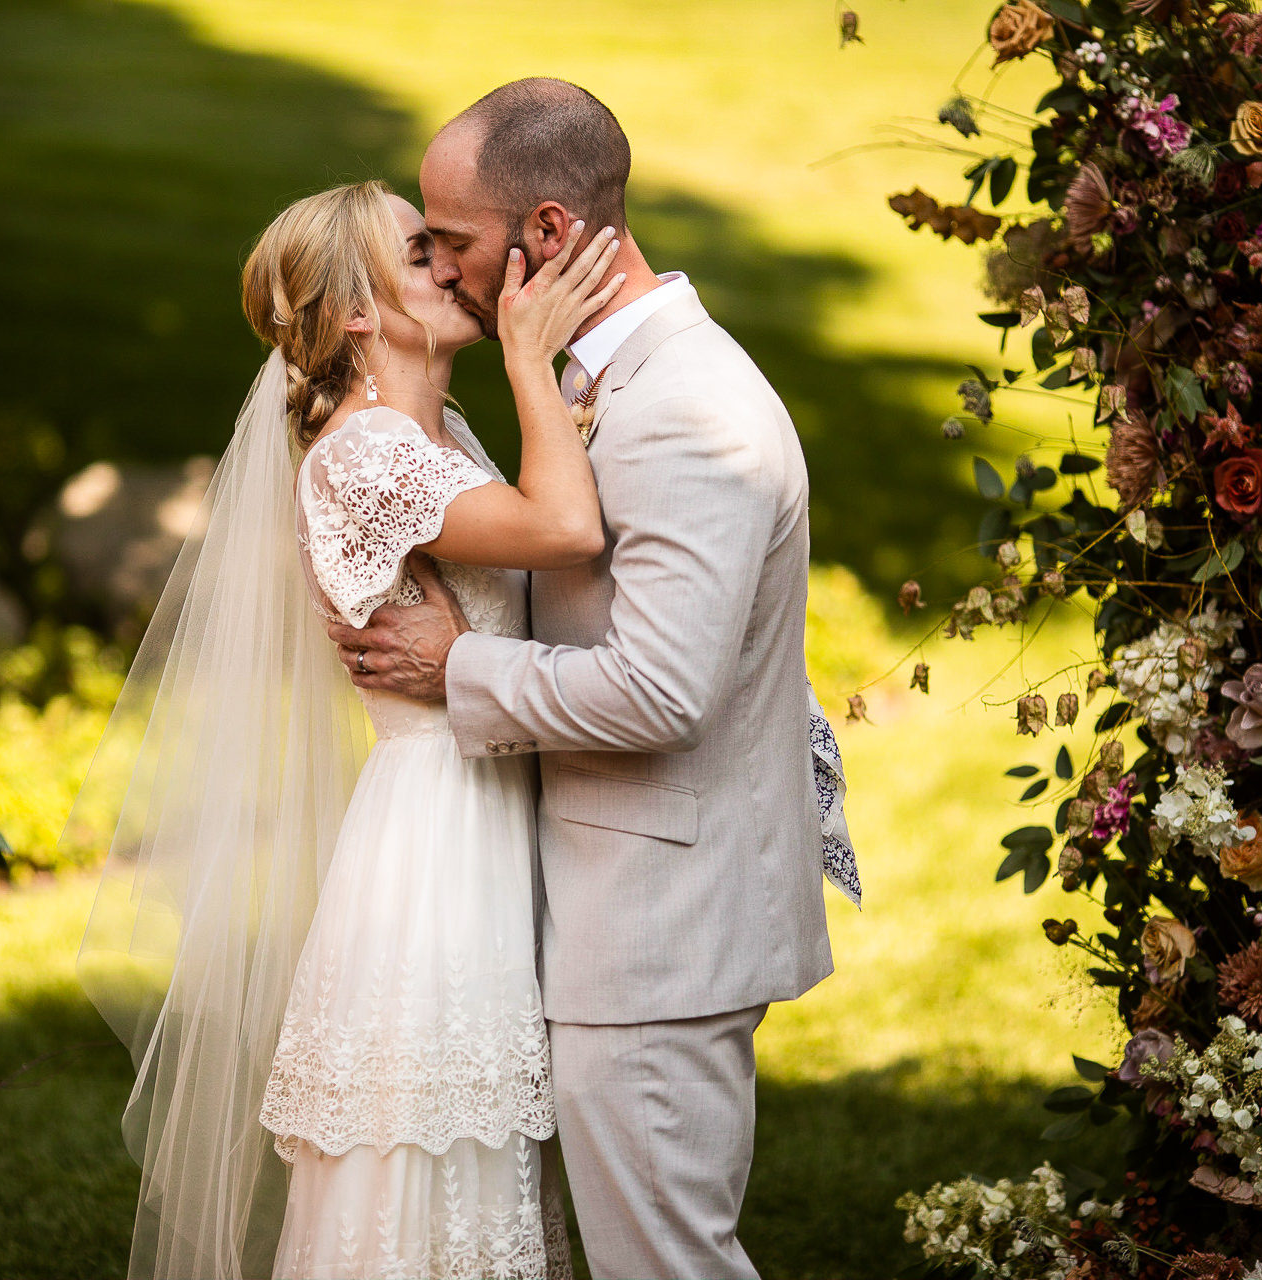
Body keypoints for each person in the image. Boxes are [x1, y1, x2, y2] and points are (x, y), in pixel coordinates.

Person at [327, 79, 854, 1279]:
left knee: (665, 1263)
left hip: (659, 928)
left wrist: (462, 664)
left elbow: (662, 691)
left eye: (452, 241)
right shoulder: (609, 377)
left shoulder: (682, 411)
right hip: (625, 901)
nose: (442, 267)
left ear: (549, 232)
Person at [73, 176, 628, 1278]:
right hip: (435, 843)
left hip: (482, 809)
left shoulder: (437, 437)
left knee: (478, 1158)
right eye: (422, 253)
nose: (458, 266)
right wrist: (532, 356)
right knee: (425, 1154)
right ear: (358, 315)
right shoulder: (366, 456)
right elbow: (565, 526)